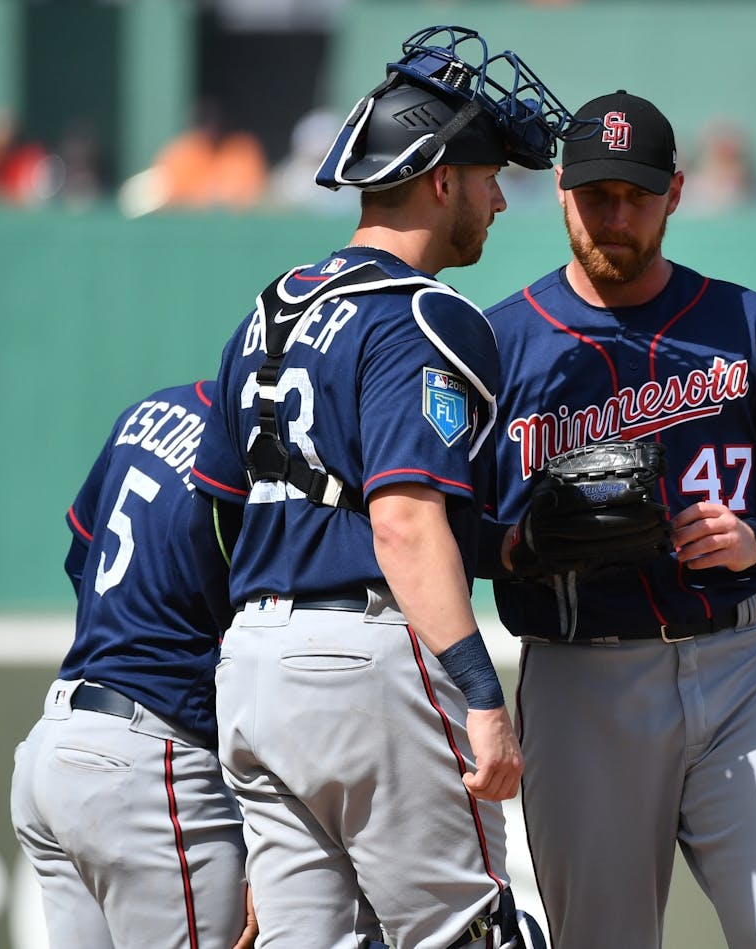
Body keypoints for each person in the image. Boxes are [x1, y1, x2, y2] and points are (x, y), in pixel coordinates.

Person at [188, 25, 586, 948]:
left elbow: (223, 507)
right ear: (440, 177)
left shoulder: (271, 305)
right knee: (470, 933)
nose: (497, 200)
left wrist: (502, 543)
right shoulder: (428, 313)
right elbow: (404, 521)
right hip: (366, 661)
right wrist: (483, 698)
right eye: (490, 177)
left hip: (251, 669)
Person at [477, 90, 756, 949]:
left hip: (741, 670)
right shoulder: (502, 344)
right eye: (594, 196)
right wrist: (517, 544)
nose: (614, 216)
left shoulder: (748, 325)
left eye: (637, 195)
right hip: (585, 677)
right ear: (562, 189)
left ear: (676, 193)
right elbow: (442, 525)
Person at [11, 380, 256, 949]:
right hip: (146, 765)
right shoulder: (256, 449)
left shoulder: (153, 409)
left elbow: (81, 553)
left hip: (55, 743)